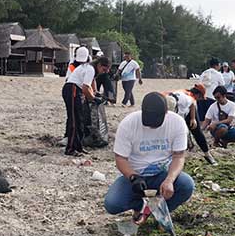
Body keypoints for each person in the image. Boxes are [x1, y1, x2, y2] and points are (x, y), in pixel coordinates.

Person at [104, 92, 195, 221]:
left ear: (165, 113)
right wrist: (133, 177)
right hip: (136, 175)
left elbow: (179, 156)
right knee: (112, 204)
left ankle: (156, 212)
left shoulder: (177, 123)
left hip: (162, 174)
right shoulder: (128, 124)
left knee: (187, 185)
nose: (151, 126)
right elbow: (120, 158)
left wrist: (169, 180)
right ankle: (140, 207)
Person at [165, 84, 217, 165]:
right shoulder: (167, 101)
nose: (199, 99)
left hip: (187, 112)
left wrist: (193, 119)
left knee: (197, 131)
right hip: (176, 112)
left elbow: (192, 104)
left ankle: (207, 154)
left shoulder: (186, 99)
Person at [63, 47, 95, 156]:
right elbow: (84, 85)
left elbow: (89, 83)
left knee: (80, 120)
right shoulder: (74, 64)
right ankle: (70, 148)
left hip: (78, 90)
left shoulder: (87, 66)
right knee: (74, 120)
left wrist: (92, 94)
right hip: (73, 88)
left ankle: (78, 146)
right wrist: (92, 98)